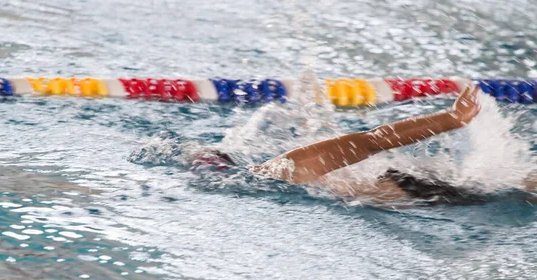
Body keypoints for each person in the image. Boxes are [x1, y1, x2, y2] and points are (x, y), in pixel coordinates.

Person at [192, 86, 533, 204]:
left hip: (410, 191)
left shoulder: (281, 172)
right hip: (408, 188)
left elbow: (370, 143)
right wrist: (450, 120)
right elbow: (371, 141)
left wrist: (451, 121)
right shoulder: (283, 169)